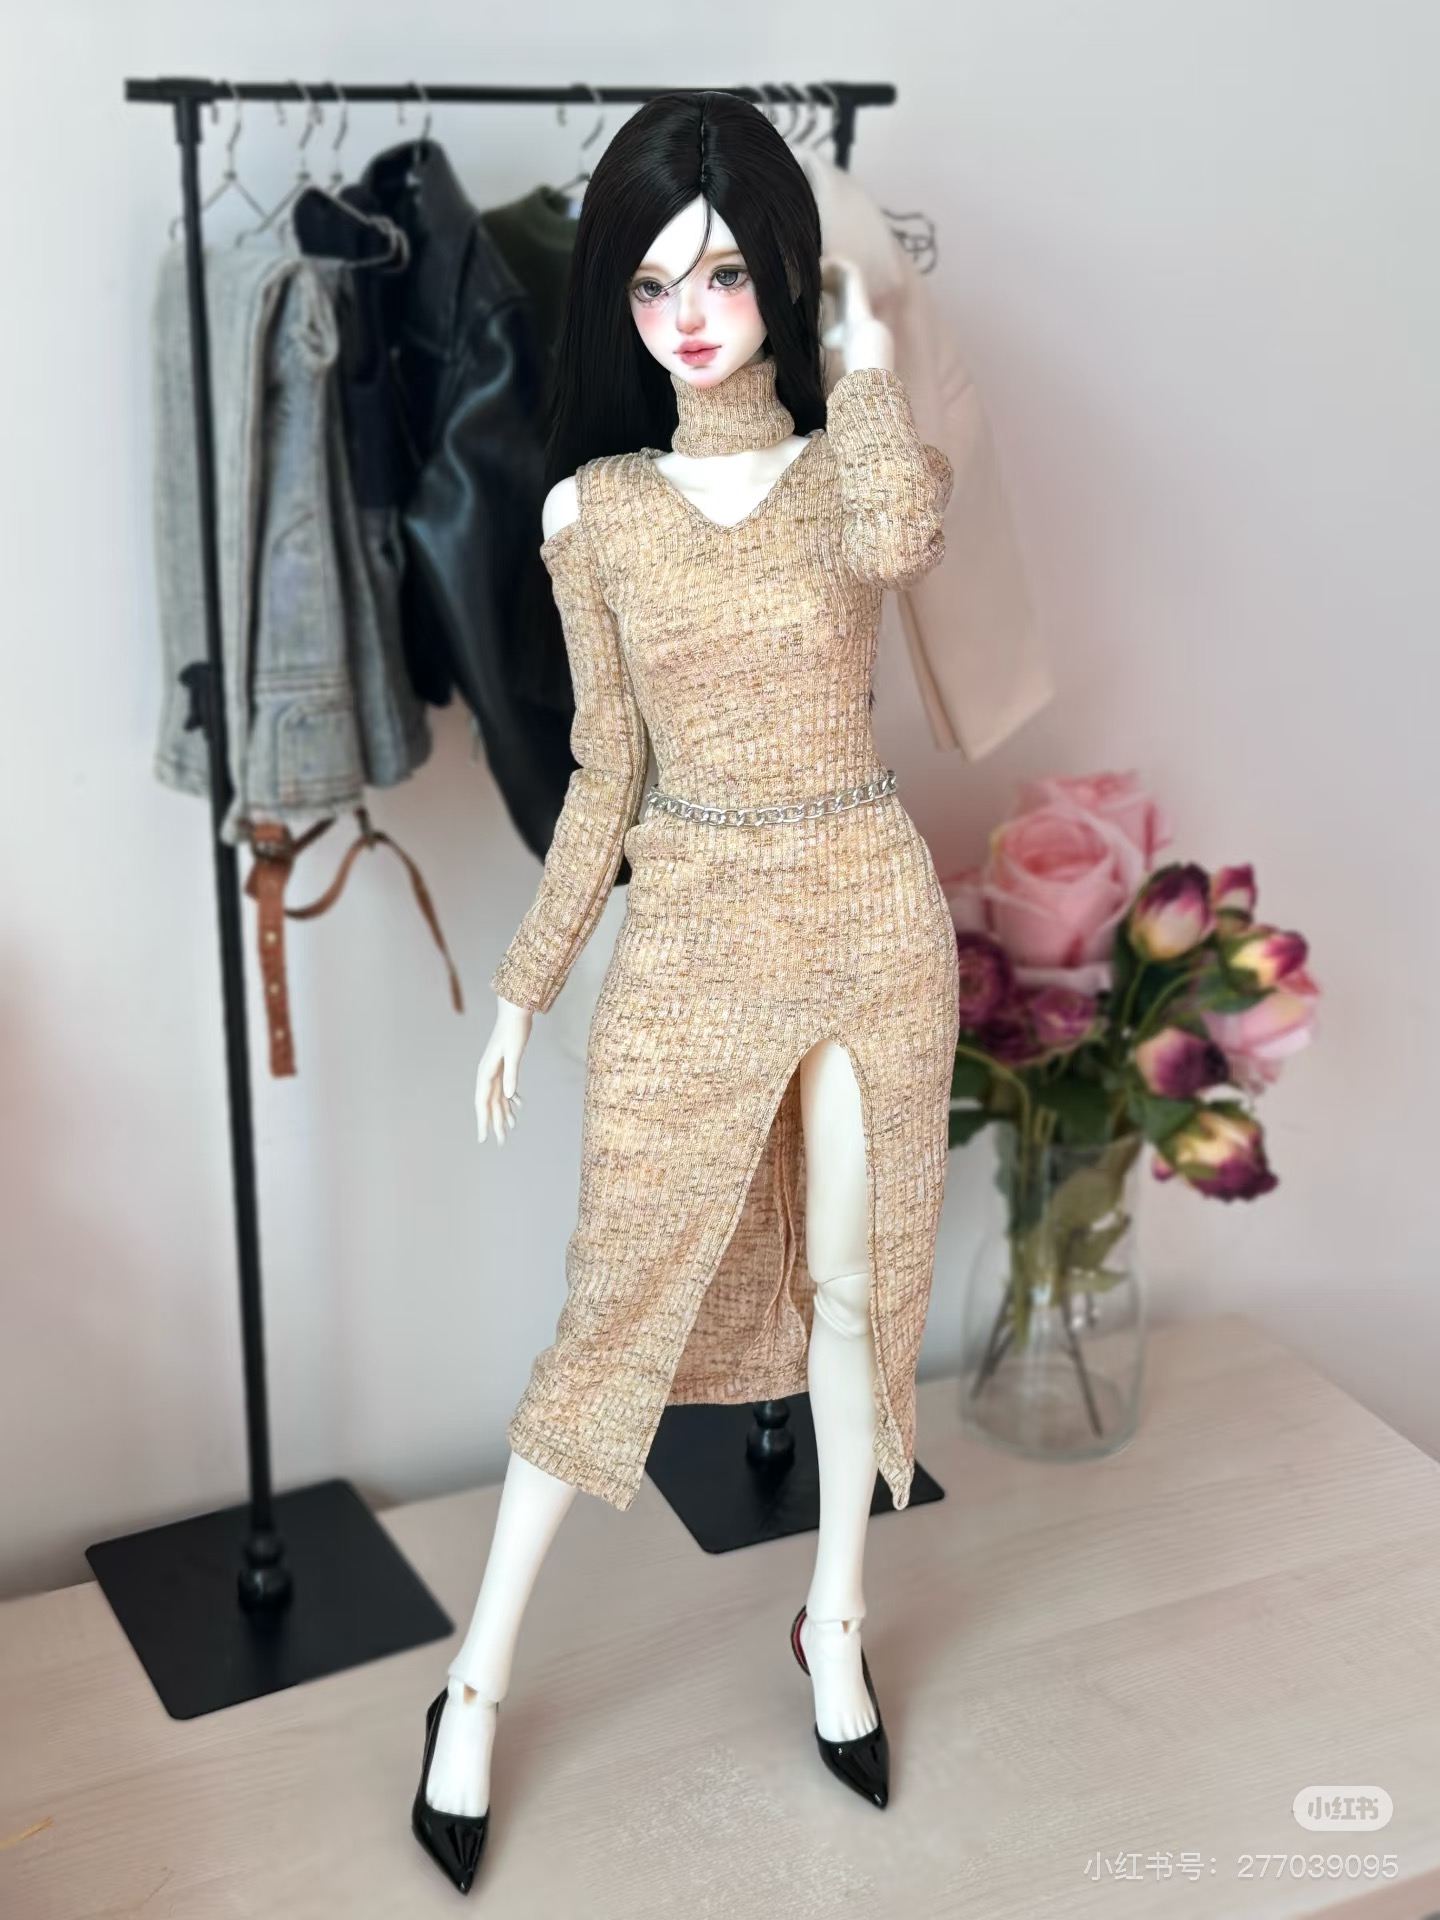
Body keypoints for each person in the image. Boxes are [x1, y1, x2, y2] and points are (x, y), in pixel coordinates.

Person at [410, 90, 960, 1897]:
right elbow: (604, 775)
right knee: (614, 1314)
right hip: (700, 923)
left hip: (867, 906)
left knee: (860, 1293)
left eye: (723, 274)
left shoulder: (851, 469)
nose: (690, 317)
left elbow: (900, 540)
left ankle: (834, 1622)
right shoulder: (599, 512)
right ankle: (472, 1682)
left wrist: (864, 355)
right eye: (653, 287)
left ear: (782, 273)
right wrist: (525, 984)